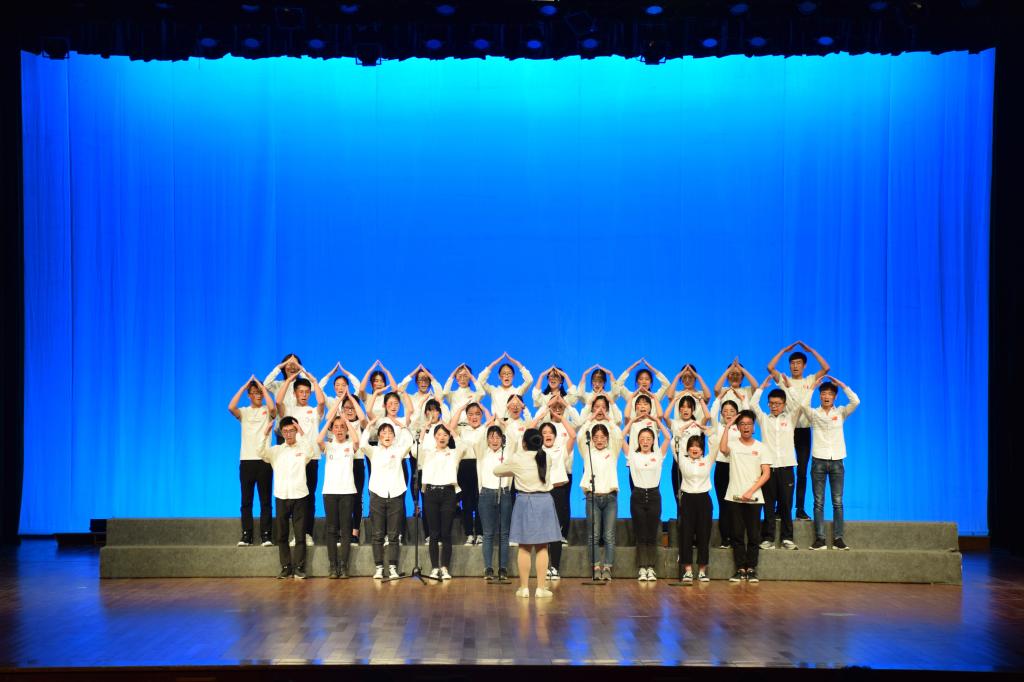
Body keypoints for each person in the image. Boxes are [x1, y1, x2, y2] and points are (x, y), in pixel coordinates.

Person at [493, 428, 562, 599]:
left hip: (525, 500)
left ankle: (524, 588)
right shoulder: (546, 456)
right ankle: (540, 588)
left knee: (524, 546)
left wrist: (514, 467)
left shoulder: (518, 458)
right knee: (542, 546)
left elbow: (497, 471)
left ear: (524, 443)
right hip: (544, 501)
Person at [767, 341, 831, 520]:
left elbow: (826, 368)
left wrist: (811, 350)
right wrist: (783, 350)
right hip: (786, 431)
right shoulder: (784, 380)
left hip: (804, 430)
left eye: (798, 363)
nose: (795, 366)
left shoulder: (809, 380)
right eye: (792, 363)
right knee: (780, 469)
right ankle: (780, 508)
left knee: (802, 471)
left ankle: (800, 509)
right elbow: (770, 367)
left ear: (804, 365)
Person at [798, 376, 860, 551]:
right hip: (818, 460)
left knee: (838, 501)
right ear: (820, 396)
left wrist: (842, 385)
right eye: (823, 393)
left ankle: (839, 539)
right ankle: (820, 539)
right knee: (818, 502)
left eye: (830, 394)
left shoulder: (840, 412)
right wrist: (812, 388)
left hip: (837, 461)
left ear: (834, 397)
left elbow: (856, 401)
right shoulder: (814, 413)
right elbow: (803, 405)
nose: (826, 396)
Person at [275, 365, 327, 548]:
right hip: (294, 459)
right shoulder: (290, 411)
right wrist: (290, 379)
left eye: (306, 392)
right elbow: (278, 401)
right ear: (295, 393)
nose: (304, 395)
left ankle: (307, 533)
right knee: (293, 498)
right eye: (300, 391)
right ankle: (295, 534)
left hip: (311, 458)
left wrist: (314, 381)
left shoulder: (314, 411)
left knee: (309, 497)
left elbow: (322, 402)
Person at [259, 416, 315, 580]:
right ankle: (285, 567)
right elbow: (261, 452)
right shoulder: (276, 450)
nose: (289, 434)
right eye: (286, 431)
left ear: (296, 431)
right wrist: (265, 434)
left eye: (292, 430)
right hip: (282, 496)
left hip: (300, 495)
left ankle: (299, 568)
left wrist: (302, 433)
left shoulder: (303, 449)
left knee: (300, 535)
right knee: (282, 535)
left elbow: (311, 452)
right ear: (282, 433)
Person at [719, 410, 771, 582]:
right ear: (738, 427)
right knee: (737, 535)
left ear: (753, 427)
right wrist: (727, 426)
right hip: (734, 497)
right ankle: (740, 568)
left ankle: (752, 569)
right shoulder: (733, 444)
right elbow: (722, 449)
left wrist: (750, 491)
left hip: (754, 498)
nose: (746, 427)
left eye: (749, 424)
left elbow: (766, 473)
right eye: (742, 424)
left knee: (754, 536)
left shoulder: (761, 447)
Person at [358, 421, 414, 579]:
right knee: (377, 534)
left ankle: (393, 567)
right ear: (379, 437)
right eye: (383, 433)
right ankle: (379, 568)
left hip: (395, 495)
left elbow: (410, 443)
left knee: (394, 535)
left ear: (394, 437)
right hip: (377, 495)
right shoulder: (374, 451)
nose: (387, 435)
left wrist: (403, 427)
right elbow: (362, 444)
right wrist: (368, 427)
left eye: (390, 433)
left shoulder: (398, 450)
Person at [529, 397, 576, 581]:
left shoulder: (561, 449)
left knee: (555, 532)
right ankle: (543, 568)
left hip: (558, 493)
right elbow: (529, 430)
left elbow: (573, 436)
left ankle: (554, 567)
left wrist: (559, 416)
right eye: (544, 432)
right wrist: (542, 414)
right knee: (542, 532)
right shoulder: (536, 451)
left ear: (555, 436)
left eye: (550, 432)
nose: (548, 435)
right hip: (542, 494)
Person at [228, 375, 277, 547]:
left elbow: (273, 408)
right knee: (246, 501)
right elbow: (231, 407)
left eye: (259, 392)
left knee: (265, 501)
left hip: (264, 460)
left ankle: (266, 535)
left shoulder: (267, 411)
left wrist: (262, 388)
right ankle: (246, 535)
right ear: (249, 395)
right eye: (254, 392)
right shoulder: (244, 412)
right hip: (246, 461)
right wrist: (244, 386)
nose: (257, 395)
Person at [750, 376, 798, 550]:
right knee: (768, 505)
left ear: (784, 404)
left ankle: (787, 538)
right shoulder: (764, 419)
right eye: (771, 403)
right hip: (768, 468)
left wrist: (789, 387)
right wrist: (761, 387)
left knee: (786, 505)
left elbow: (799, 404)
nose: (774, 406)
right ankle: (768, 538)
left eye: (777, 403)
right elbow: (753, 404)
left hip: (786, 467)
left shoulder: (790, 418)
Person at [624, 415, 671, 581]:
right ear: (638, 440)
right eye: (642, 439)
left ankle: (651, 568)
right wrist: (631, 422)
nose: (645, 441)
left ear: (653, 441)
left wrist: (657, 422)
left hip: (653, 496)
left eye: (648, 439)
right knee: (640, 534)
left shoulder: (658, 455)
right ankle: (642, 568)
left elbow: (668, 437)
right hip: (637, 496)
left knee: (652, 534)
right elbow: (620, 437)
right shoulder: (632, 455)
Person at [417, 421, 466, 580]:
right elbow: (415, 450)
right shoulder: (427, 453)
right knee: (433, 533)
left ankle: (444, 568)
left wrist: (452, 430)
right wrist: (424, 430)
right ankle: (434, 568)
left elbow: (463, 446)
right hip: (431, 493)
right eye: (439, 434)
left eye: (445, 434)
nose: (442, 437)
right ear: (434, 437)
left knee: (446, 533)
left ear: (449, 437)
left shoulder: (453, 453)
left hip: (448, 494)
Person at [317, 403, 359, 578]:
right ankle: (333, 566)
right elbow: (318, 440)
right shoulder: (328, 445)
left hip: (347, 492)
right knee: (331, 529)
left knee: (346, 529)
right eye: (336, 427)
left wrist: (345, 420)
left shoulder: (350, 445)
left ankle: (344, 565)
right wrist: (330, 421)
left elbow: (356, 440)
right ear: (332, 430)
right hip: (330, 492)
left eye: (342, 427)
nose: (339, 429)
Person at [578, 423, 622, 581]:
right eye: (596, 437)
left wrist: (608, 418)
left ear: (607, 438)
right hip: (592, 497)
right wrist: (591, 418)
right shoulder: (587, 452)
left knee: (609, 535)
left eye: (603, 437)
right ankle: (596, 567)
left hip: (610, 498)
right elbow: (580, 436)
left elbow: (619, 435)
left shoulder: (612, 452)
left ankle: (608, 568)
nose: (599, 440)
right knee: (594, 535)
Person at [476, 420, 513, 580]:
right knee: (488, 533)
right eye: (491, 437)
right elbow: (477, 440)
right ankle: (488, 568)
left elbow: (514, 440)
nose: (495, 440)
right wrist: (487, 424)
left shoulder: (507, 453)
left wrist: (504, 426)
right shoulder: (482, 453)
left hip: (504, 493)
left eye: (498, 437)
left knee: (504, 533)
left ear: (502, 439)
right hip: (486, 494)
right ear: (487, 439)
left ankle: (503, 569)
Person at [450, 402, 489, 546]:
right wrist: (461, 408)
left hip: (480, 466)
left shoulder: (485, 429)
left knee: (480, 502)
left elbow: (492, 422)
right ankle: (469, 534)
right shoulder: (462, 430)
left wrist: (483, 407)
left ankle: (480, 533)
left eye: (478, 414)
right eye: (471, 414)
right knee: (466, 502)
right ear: (466, 416)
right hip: (464, 467)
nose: (474, 417)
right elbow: (450, 427)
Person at [678, 434, 714, 583]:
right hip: (687, 499)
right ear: (687, 449)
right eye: (692, 446)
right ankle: (687, 571)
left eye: (698, 446)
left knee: (703, 535)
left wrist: (710, 432)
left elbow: (715, 445)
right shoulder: (682, 460)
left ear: (702, 450)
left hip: (704, 500)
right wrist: (682, 430)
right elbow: (675, 443)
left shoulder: (707, 460)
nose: (694, 449)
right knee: (686, 535)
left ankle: (702, 571)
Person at [708, 397, 741, 549]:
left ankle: (736, 538)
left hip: (737, 468)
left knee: (736, 505)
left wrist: (742, 400)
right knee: (723, 504)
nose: (728, 414)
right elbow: (712, 413)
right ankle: (725, 539)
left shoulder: (740, 428)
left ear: (737, 413)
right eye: (725, 411)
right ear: (721, 413)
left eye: (732, 411)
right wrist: (719, 398)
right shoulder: (718, 428)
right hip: (721, 467)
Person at [478, 352, 533, 420]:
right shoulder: (493, 391)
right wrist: (494, 363)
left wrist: (516, 363)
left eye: (509, 373)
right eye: (504, 373)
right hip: (497, 423)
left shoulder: (517, 391)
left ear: (513, 376)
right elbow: (480, 380)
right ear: (499, 376)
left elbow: (529, 380)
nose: (507, 376)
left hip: (512, 423)